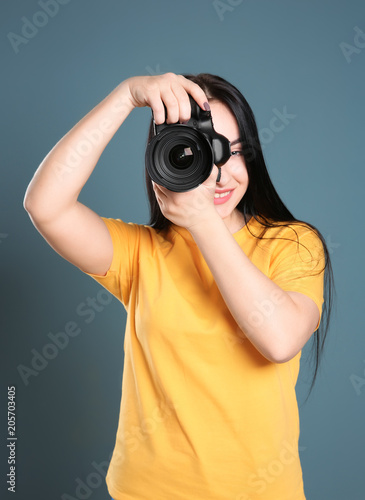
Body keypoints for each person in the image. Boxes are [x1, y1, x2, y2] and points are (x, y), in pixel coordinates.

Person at [24, 72, 334, 500]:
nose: (221, 175)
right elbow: (45, 206)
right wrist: (126, 95)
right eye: (201, 153)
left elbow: (279, 339)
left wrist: (202, 219)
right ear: (170, 159)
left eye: (234, 152)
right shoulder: (142, 253)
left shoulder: (293, 244)